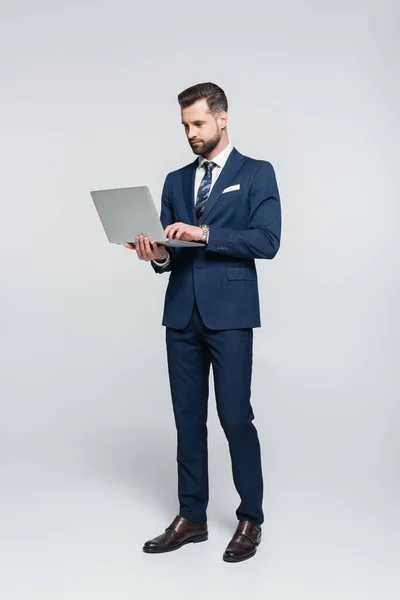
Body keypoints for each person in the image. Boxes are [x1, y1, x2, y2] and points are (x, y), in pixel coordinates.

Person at [124, 82, 281, 562]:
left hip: (230, 315)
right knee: (187, 419)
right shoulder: (175, 180)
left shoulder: (256, 173)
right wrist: (154, 255)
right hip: (181, 314)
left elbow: (267, 240)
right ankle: (191, 516)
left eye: (197, 123)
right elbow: (172, 252)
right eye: (185, 126)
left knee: (235, 416)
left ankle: (250, 517)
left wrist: (206, 231)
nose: (191, 133)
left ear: (222, 117)